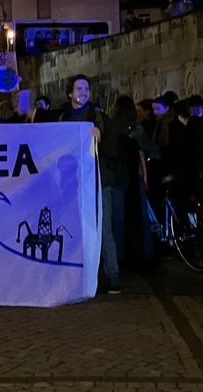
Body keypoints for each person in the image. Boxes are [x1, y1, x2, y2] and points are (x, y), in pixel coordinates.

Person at [58, 74, 124, 294]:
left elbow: (113, 151)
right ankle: (80, 274)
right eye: (79, 89)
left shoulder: (99, 118)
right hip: (73, 183)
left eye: (86, 88)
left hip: (98, 182)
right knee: (75, 229)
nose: (83, 92)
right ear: (70, 93)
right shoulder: (62, 119)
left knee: (103, 230)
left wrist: (100, 137)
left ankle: (112, 276)